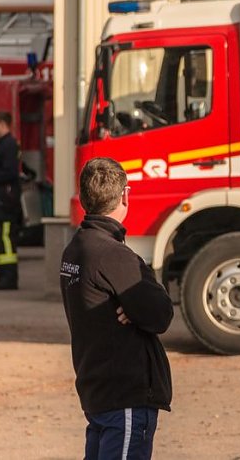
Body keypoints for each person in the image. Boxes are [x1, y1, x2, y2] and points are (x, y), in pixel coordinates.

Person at [60, 157, 173, 460]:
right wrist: (135, 303)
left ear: (83, 199)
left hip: (98, 390)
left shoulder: (76, 247)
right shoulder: (114, 256)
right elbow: (161, 313)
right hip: (124, 396)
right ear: (125, 195)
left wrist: (133, 306)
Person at [0, 111, 22, 290]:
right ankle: (4, 275)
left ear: (2, 124)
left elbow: (10, 172)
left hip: (5, 201)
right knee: (1, 239)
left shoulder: (7, 145)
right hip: (1, 199)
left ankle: (9, 277)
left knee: (6, 239)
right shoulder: (4, 144)